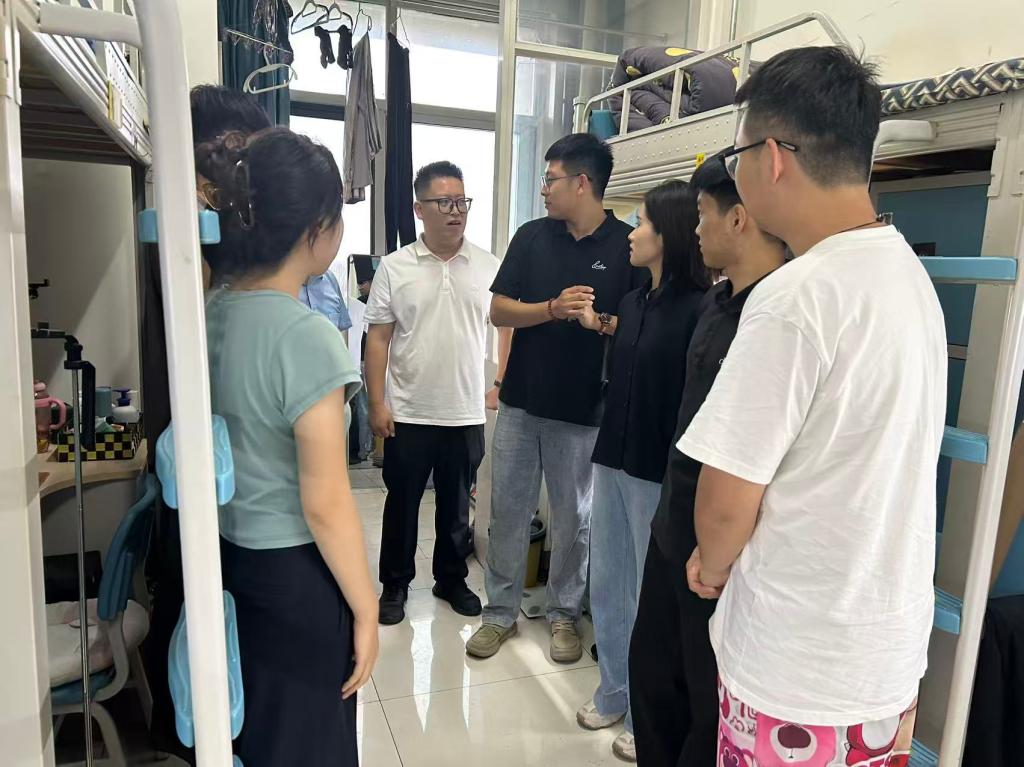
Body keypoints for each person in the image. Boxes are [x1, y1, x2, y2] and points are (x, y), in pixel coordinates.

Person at [679, 47, 946, 766]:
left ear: (771, 158)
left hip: (795, 671)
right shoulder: (908, 276)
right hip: (885, 663)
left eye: (736, 155)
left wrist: (711, 563)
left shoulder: (795, 297)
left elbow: (726, 501)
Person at [199, 128, 378, 766]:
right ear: (316, 229)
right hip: (296, 576)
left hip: (228, 560)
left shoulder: (210, 312)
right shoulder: (305, 337)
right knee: (310, 743)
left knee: (258, 734)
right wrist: (365, 607)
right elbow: (325, 503)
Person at [628, 155, 786, 767]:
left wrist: (717, 553)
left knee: (706, 703)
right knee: (652, 679)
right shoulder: (715, 304)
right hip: (673, 527)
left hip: (722, 555)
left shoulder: (778, 314)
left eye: (701, 215)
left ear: (738, 219)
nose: (694, 230)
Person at [468, 133, 643, 663]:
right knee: (508, 512)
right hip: (521, 404)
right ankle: (499, 614)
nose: (544, 189)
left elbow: (637, 328)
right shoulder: (532, 237)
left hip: (583, 412)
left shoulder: (627, 247)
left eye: (551, 179)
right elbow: (499, 310)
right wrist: (550, 308)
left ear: (582, 183)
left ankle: (564, 614)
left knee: (574, 521)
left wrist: (597, 321)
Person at [141, 84, 271, 761]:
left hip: (201, 449)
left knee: (202, 604)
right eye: (241, 157)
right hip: (193, 450)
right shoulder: (185, 230)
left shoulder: (195, 224)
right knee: (194, 606)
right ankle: (191, 742)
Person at [576, 180, 709, 762]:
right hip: (612, 457)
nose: (632, 234)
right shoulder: (633, 303)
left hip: (659, 470)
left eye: (643, 224)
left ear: (670, 234)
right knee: (607, 582)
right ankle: (613, 689)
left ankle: (646, 715)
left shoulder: (702, 309)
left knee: (651, 602)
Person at [365, 161, 507, 625]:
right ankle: (395, 585)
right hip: (409, 411)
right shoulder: (395, 267)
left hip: (464, 411)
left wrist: (500, 382)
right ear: (418, 209)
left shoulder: (487, 265)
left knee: (456, 505)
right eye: (444, 202)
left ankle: (451, 579)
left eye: (461, 202)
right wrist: (376, 403)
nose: (455, 211)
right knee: (402, 504)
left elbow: (505, 325)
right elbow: (378, 339)